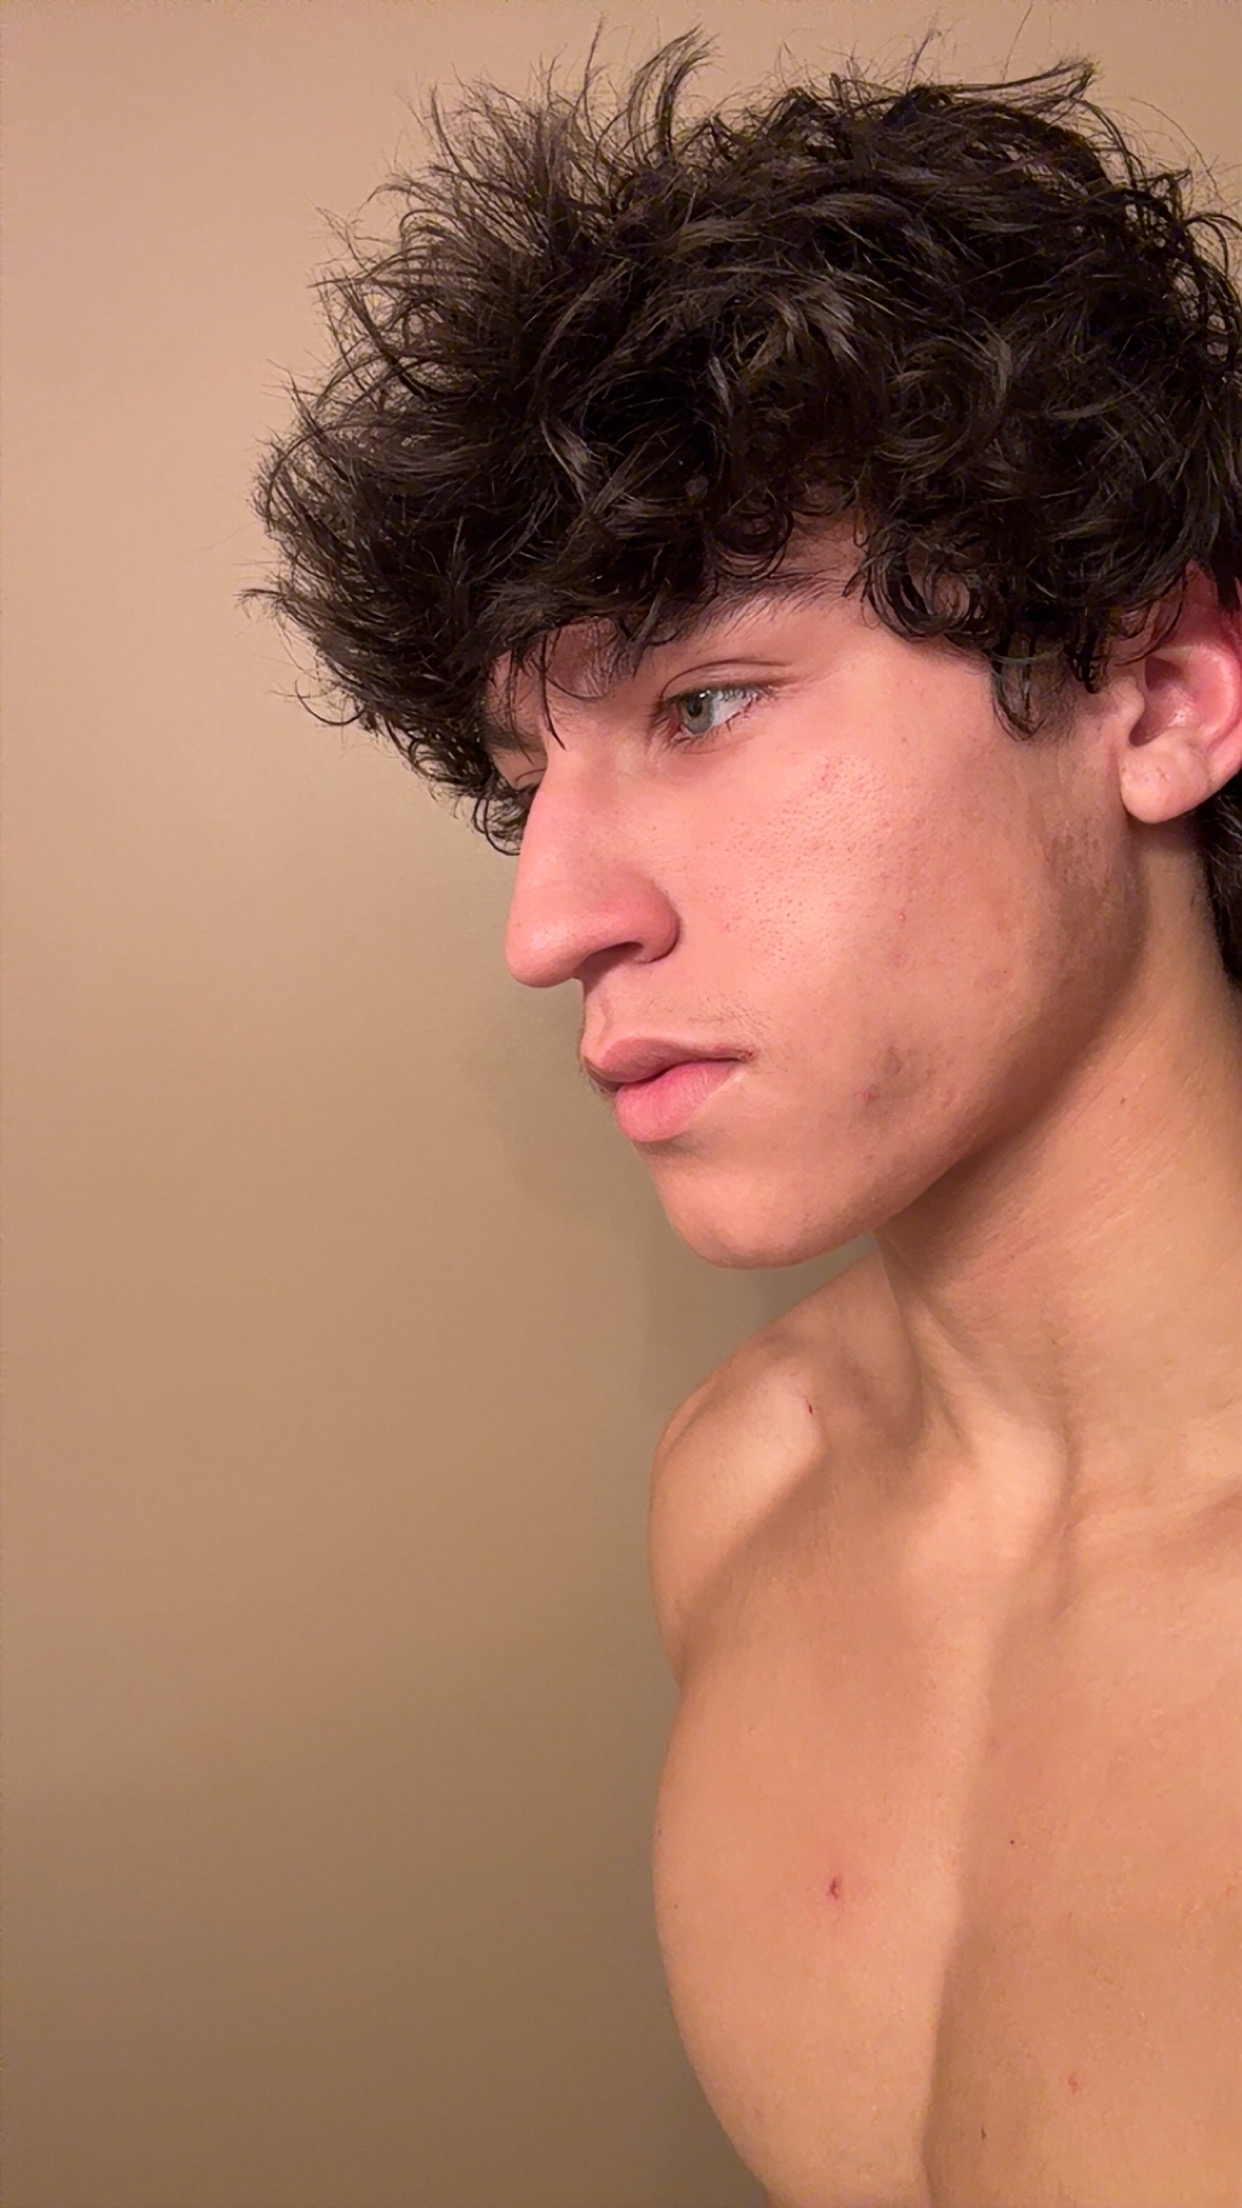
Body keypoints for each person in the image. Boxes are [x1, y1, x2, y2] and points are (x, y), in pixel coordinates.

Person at [253, 34, 1242, 2204]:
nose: (548, 926)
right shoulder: (742, 1492)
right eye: (528, 782)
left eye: (704, 702)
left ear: (1160, 699)